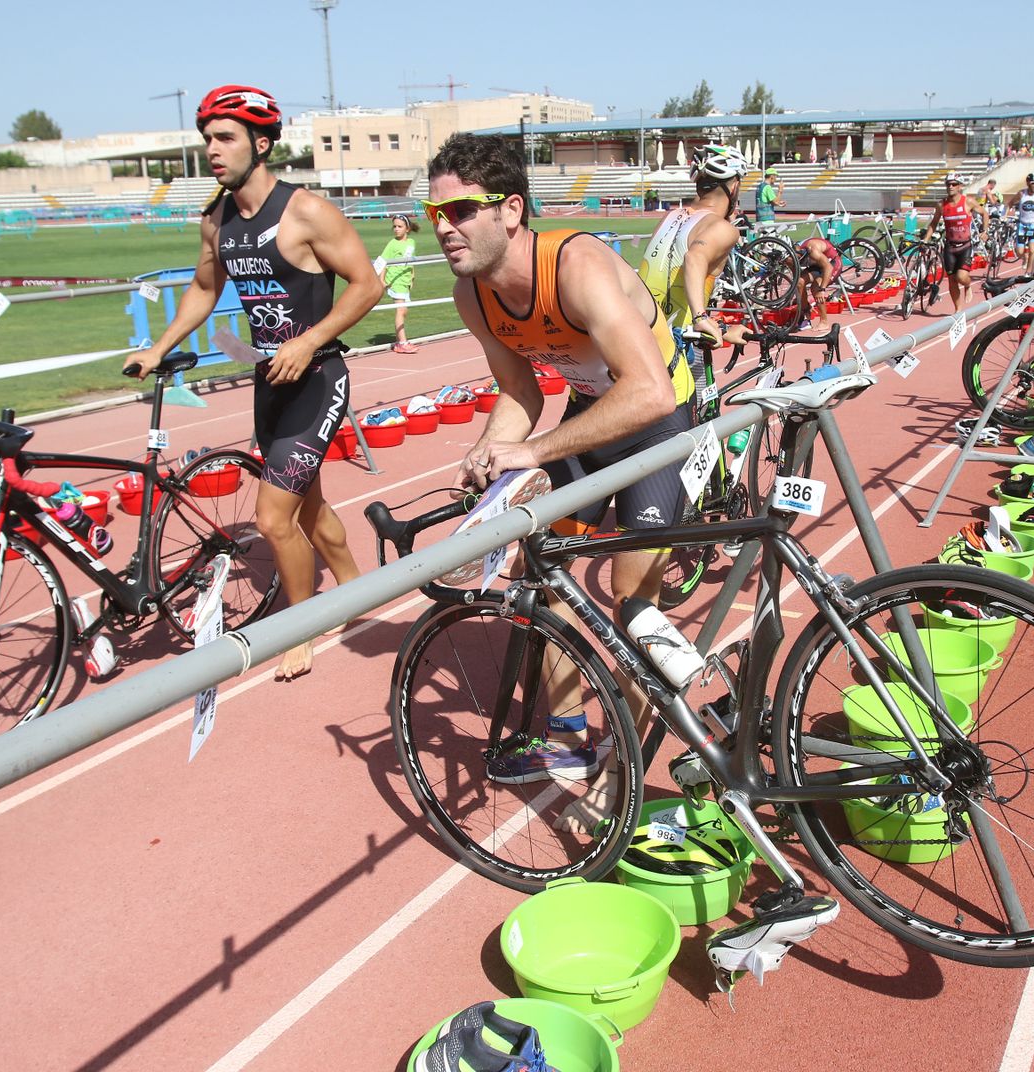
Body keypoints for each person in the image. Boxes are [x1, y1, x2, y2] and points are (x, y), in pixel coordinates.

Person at [426, 133, 696, 784]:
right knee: (546, 578)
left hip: (660, 422)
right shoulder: (475, 295)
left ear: (511, 211)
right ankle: (568, 738)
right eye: (437, 213)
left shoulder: (576, 266)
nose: (445, 227)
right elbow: (519, 389)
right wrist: (492, 446)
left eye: (461, 211)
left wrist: (532, 451)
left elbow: (649, 390)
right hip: (593, 416)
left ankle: (628, 757)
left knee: (633, 599)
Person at [126, 85, 381, 682]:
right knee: (309, 512)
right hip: (270, 385)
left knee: (271, 519)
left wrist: (310, 339)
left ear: (261, 144)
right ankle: (353, 587)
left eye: (225, 139)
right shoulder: (217, 219)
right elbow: (202, 289)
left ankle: (302, 627)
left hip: (318, 381)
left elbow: (367, 284)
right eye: (206, 140)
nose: (212, 150)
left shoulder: (306, 212)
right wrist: (158, 348)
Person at [636, 143, 752, 393]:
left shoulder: (669, 217)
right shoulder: (723, 229)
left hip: (642, 334)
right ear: (734, 187)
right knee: (697, 426)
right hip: (679, 345)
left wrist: (721, 328)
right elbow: (694, 257)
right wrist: (701, 318)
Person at [923, 173, 984, 308]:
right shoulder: (941, 205)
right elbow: (933, 223)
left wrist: (984, 231)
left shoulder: (968, 201)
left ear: (960, 186)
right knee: (951, 280)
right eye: (948, 184)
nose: (950, 187)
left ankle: (967, 285)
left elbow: (985, 213)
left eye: (954, 184)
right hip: (950, 247)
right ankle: (958, 310)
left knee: (961, 277)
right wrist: (926, 239)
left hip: (965, 246)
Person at [380, 214, 420, 353]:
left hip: (405, 281)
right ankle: (402, 343)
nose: (396, 229)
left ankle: (400, 341)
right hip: (395, 280)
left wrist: (412, 276)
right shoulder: (392, 244)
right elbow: (383, 262)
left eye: (399, 226)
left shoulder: (411, 242)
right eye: (394, 226)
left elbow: (409, 261)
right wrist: (382, 280)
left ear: (407, 229)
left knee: (404, 311)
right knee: (401, 310)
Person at [796, 233, 843, 325]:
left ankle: (824, 321)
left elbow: (828, 267)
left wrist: (822, 289)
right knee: (799, 282)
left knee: (816, 289)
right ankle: (806, 309)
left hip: (832, 264)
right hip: (817, 265)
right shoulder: (794, 253)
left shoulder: (812, 249)